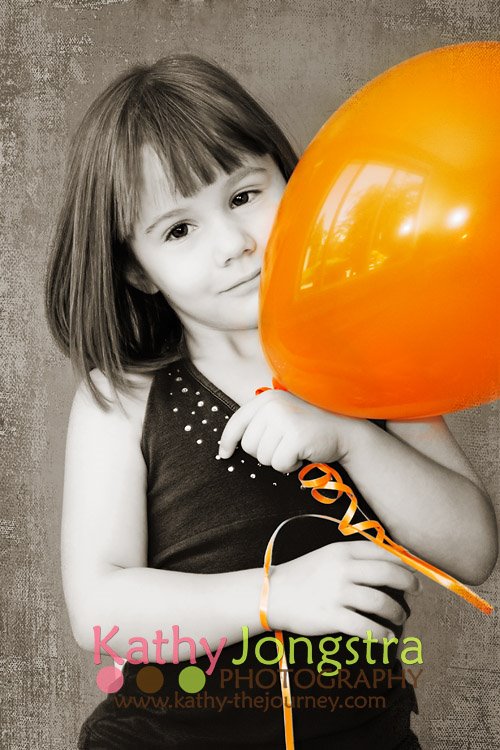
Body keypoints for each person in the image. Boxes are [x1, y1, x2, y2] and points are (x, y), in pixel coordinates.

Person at [44, 54, 497, 750]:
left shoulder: (368, 357)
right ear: (137, 269)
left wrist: (351, 437)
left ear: (295, 181)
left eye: (243, 196)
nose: (233, 245)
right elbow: (99, 613)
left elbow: (473, 549)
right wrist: (275, 594)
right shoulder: (126, 396)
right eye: (179, 230)